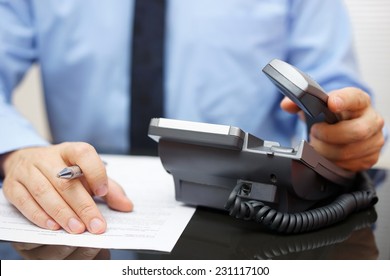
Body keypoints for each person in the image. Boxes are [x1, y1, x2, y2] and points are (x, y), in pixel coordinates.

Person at [0, 0, 385, 235]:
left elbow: (331, 91)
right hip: (88, 204)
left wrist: (343, 130)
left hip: (255, 217)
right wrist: (17, 151)